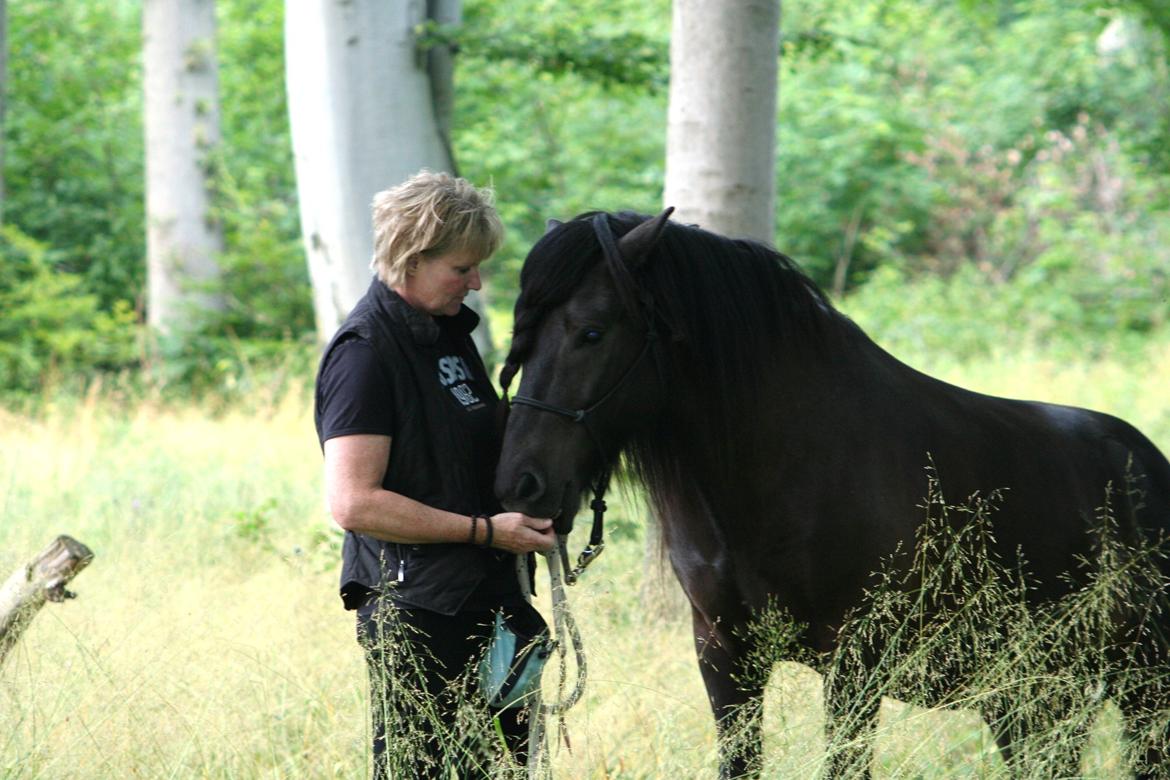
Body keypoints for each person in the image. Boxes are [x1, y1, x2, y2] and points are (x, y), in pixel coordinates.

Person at [314, 170, 555, 778]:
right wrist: (486, 532)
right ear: (412, 257)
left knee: (507, 770)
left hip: (490, 600)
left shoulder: (449, 335)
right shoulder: (365, 354)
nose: (475, 283)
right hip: (418, 610)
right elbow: (353, 503)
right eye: (462, 268)